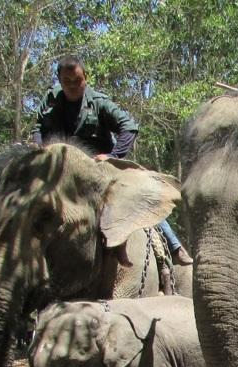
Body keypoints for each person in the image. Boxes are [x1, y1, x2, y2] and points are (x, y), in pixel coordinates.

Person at [32, 55, 192, 266]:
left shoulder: (98, 102)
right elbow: (38, 127)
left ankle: (173, 247)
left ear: (85, 77)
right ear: (59, 80)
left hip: (97, 167)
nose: (72, 86)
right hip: (59, 168)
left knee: (140, 195)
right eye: (67, 81)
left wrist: (113, 156)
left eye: (77, 80)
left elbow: (129, 127)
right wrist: (38, 147)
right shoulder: (50, 100)